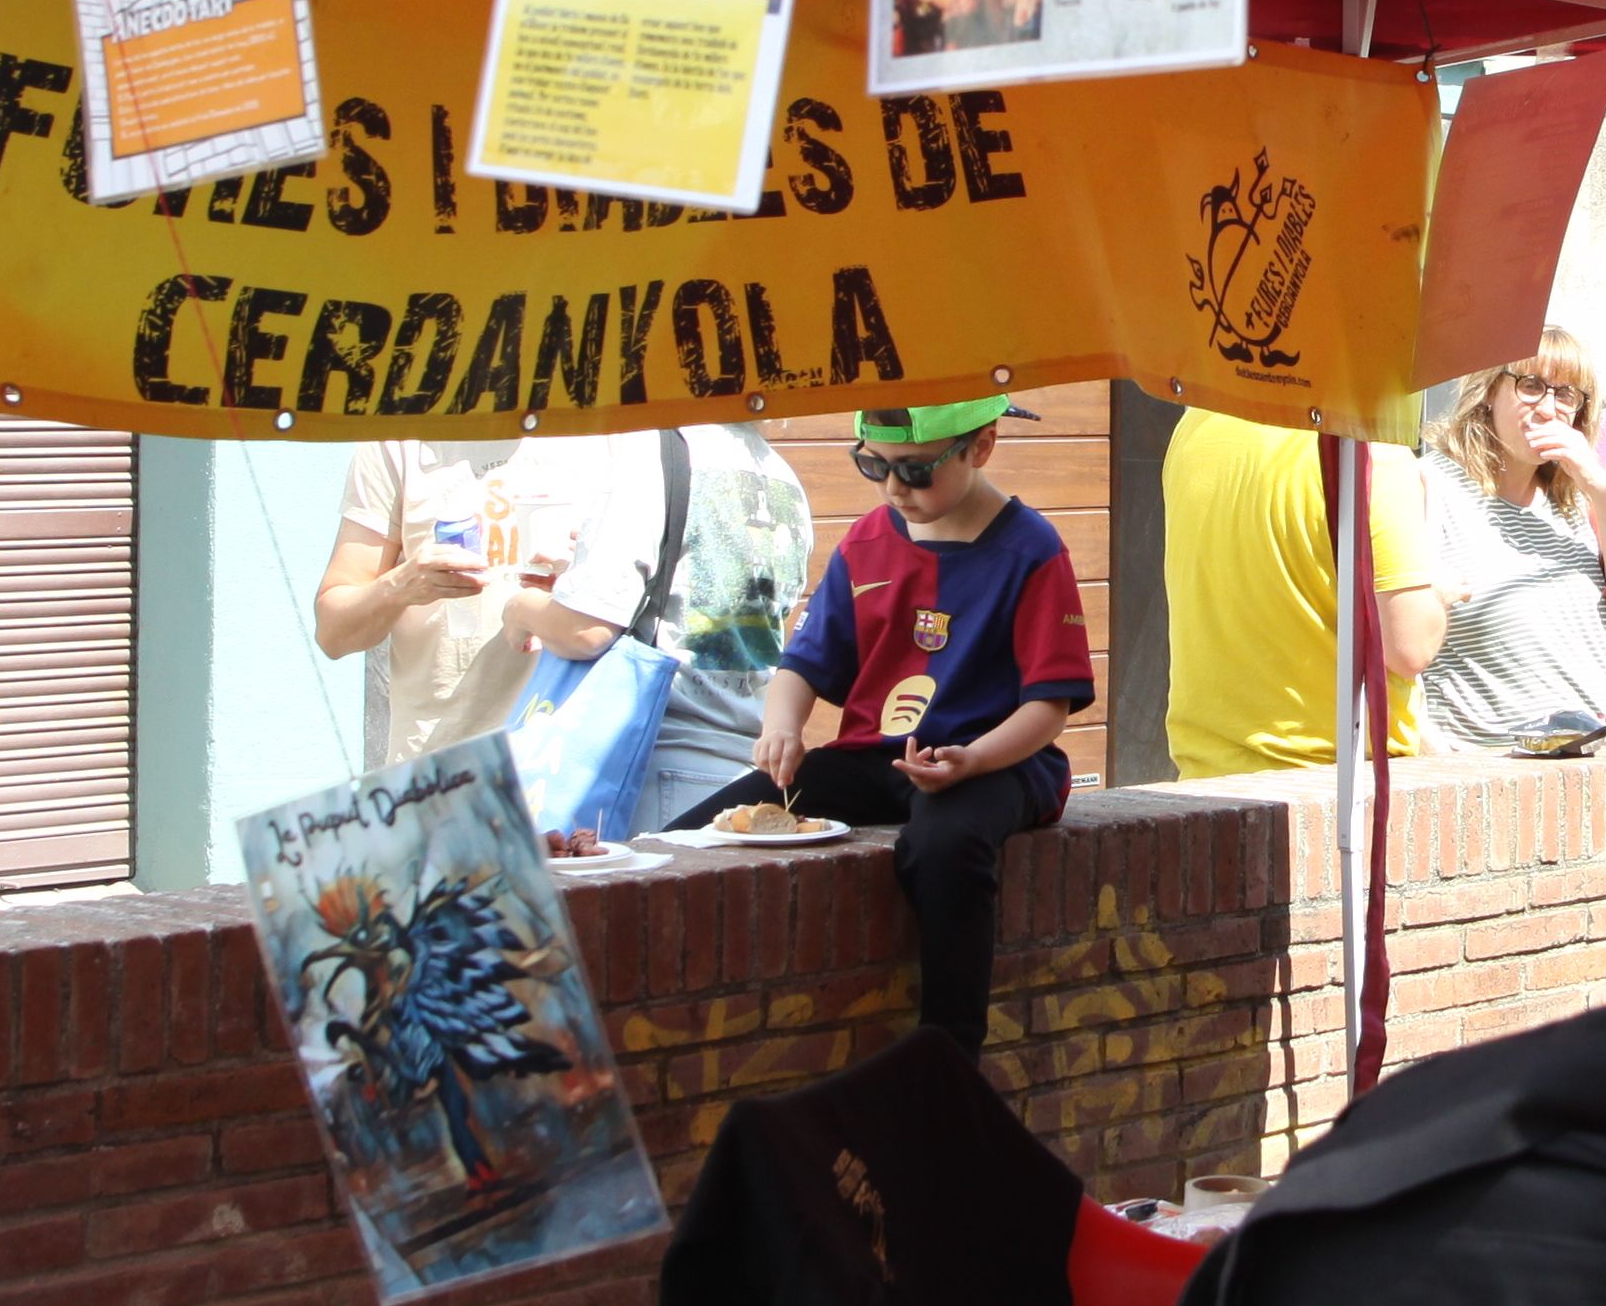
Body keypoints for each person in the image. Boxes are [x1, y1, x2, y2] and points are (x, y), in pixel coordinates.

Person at [687, 398, 1093, 1044]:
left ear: (980, 447)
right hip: (877, 756)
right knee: (714, 823)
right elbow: (804, 662)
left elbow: (1049, 707)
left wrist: (975, 759)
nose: (894, 487)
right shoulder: (865, 542)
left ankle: (949, 1049)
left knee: (945, 845)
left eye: (915, 469)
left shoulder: (1032, 549)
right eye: (874, 466)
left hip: (996, 760)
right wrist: (783, 723)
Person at [520, 425, 819, 839]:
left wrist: (519, 609)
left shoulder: (653, 450)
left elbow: (585, 630)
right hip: (745, 767)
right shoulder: (779, 471)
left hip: (651, 763)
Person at [312, 434, 659, 762]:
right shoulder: (400, 441)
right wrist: (402, 585)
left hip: (574, 765)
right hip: (446, 770)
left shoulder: (615, 429)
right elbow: (333, 633)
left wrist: (590, 573)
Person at [1157, 406, 1443, 776]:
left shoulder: (1197, 424)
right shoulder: (1366, 447)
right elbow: (1409, 646)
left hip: (1206, 778)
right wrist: (1438, 587)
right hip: (1331, 783)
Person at [1417, 330, 1606, 752]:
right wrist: (1434, 750)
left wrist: (1596, 482)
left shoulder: (1578, 504)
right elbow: (1388, 629)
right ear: (1490, 390)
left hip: (1589, 762)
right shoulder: (1431, 484)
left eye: (1567, 395)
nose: (1549, 408)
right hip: (1485, 766)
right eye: (1531, 386)